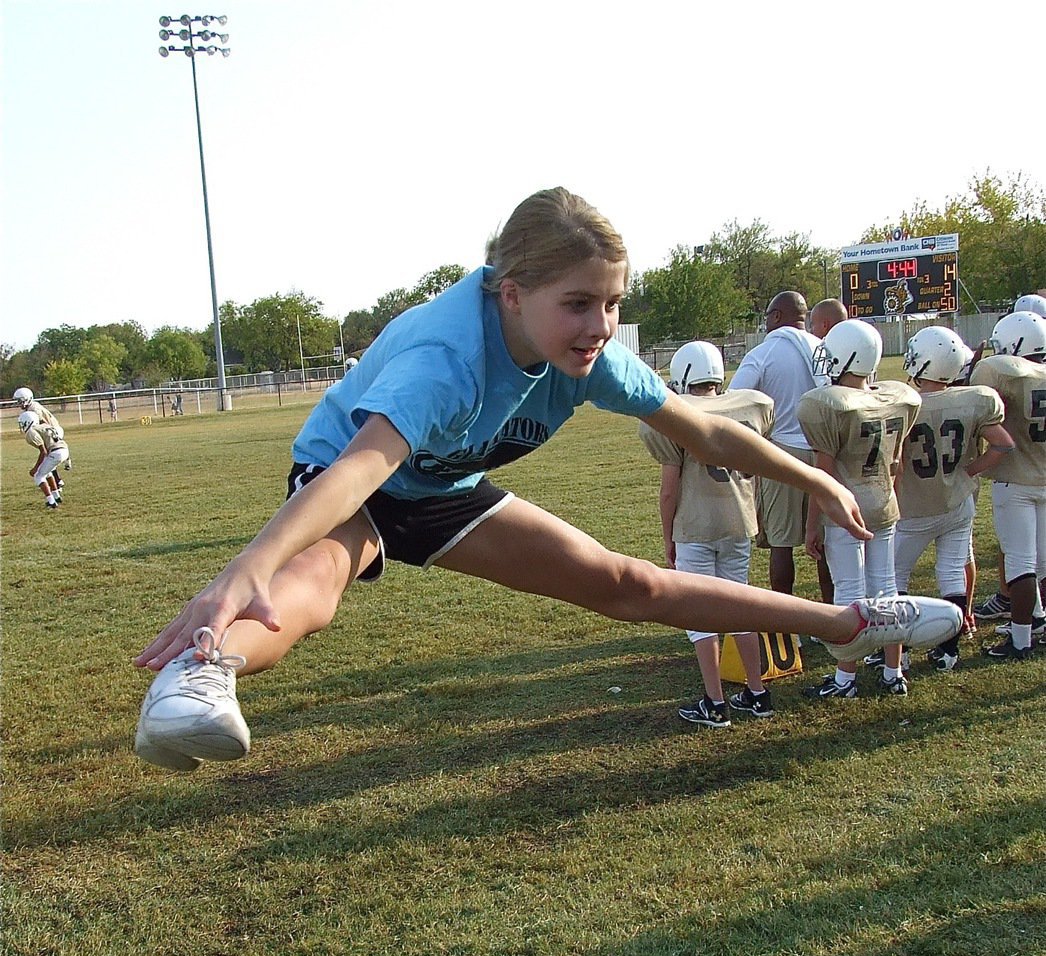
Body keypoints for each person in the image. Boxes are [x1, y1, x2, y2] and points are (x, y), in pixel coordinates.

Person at [132, 188, 961, 771]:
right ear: (512, 291)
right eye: (578, 303)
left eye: (611, 302)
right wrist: (245, 570)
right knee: (316, 583)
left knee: (628, 582)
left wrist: (813, 481)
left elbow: (704, 428)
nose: (600, 325)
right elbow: (361, 468)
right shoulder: (445, 361)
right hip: (357, 479)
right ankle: (201, 672)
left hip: (444, 486)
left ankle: (850, 624)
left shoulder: (587, 357)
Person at [639, 341, 775, 728]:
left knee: (701, 614)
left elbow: (670, 488)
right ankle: (758, 692)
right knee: (741, 606)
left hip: (696, 526)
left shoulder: (678, 415)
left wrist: (668, 537)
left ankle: (714, 703)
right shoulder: (750, 407)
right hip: (738, 523)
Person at [798, 319, 922, 698]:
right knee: (886, 590)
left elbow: (825, 475)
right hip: (884, 503)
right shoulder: (896, 399)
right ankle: (892, 672)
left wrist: (812, 525)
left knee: (849, 593)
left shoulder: (830, 405)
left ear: (847, 356)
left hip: (846, 508)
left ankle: (845, 679)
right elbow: (897, 464)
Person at [893, 326, 1013, 671]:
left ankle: (898, 650)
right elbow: (1004, 444)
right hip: (958, 501)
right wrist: (970, 470)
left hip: (915, 506)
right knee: (951, 572)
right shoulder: (974, 399)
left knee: (896, 576)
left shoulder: (904, 401)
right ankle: (949, 649)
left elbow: (897, 462)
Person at [730, 290, 833, 601]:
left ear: (776, 316)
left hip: (783, 453)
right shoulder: (824, 349)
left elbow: (736, 400)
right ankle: (830, 613)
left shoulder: (763, 353)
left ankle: (789, 627)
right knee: (825, 543)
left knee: (781, 544)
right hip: (825, 452)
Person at [969, 310, 1046, 660]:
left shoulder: (1006, 372)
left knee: (1020, 562)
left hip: (1015, 479)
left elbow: (979, 396)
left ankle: (1020, 640)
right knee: (1042, 563)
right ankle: (1039, 622)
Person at [14, 386, 72, 479]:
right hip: (52, 430)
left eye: (20, 401)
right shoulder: (32, 407)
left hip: (53, 430)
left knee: (47, 457)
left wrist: (47, 432)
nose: (18, 403)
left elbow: (43, 422)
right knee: (48, 457)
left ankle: (57, 480)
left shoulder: (34, 409)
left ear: (27, 399)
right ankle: (61, 472)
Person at [19, 409, 69, 510]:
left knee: (39, 476)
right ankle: (56, 496)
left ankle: (51, 502)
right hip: (64, 450)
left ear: (28, 421)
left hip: (56, 452)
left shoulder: (31, 432)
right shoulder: (45, 426)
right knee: (48, 472)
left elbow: (43, 451)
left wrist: (35, 468)